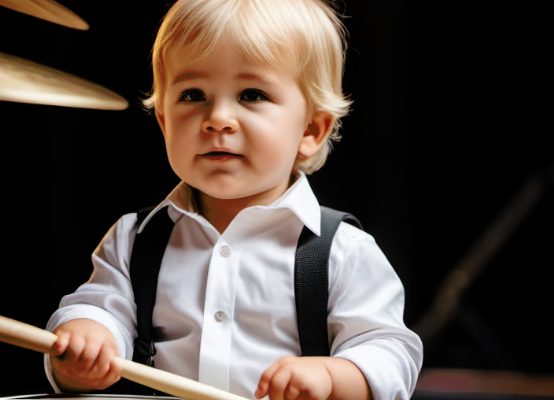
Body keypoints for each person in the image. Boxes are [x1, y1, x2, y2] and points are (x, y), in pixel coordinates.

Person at [45, 0, 423, 399]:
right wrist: (87, 337)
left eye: (251, 94)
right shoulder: (134, 238)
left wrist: (334, 376)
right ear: (163, 120)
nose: (218, 118)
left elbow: (390, 354)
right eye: (192, 95)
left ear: (311, 129)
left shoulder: (343, 252)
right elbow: (99, 311)